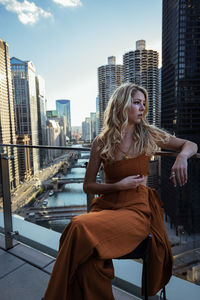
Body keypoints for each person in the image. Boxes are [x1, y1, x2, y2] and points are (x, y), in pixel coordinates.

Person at [43, 83, 197, 300]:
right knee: (89, 263)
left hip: (137, 211)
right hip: (106, 208)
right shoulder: (101, 142)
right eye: (136, 103)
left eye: (144, 103)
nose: (142, 108)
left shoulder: (149, 135)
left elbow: (190, 144)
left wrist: (181, 158)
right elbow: (88, 186)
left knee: (77, 226)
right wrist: (118, 186)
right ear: (122, 105)